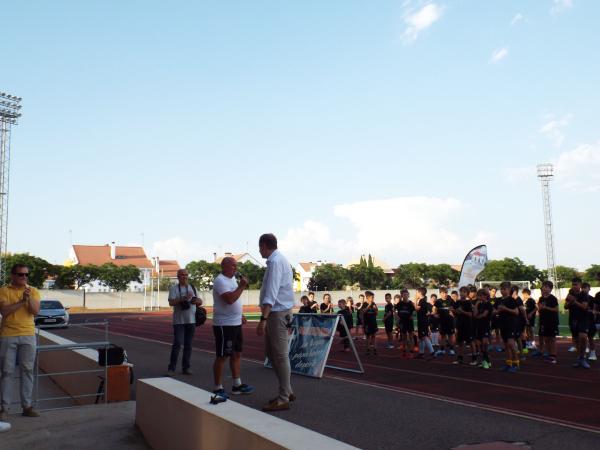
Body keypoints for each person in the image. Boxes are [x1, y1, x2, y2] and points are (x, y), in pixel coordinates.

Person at [256, 233, 295, 411]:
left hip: (277, 313)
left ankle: (283, 397)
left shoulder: (275, 262)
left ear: (264, 245)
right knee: (273, 355)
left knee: (279, 356)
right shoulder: (278, 260)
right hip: (278, 313)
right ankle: (287, 390)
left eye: (260, 247)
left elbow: (271, 292)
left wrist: (263, 319)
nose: (259, 251)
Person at [0, 264, 41, 420]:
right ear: (12, 276)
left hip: (28, 335)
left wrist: (28, 297)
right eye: (20, 275)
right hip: (8, 335)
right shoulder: (4, 291)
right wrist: (21, 301)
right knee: (7, 372)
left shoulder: (34, 291)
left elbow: (35, 311)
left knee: (27, 371)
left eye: (26, 275)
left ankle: (27, 406)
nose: (24, 277)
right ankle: (4, 408)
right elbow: (4, 311)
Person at [211, 257, 254, 399]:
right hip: (224, 325)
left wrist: (240, 314)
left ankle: (237, 385)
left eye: (236, 266)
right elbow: (229, 299)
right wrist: (242, 286)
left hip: (235, 323)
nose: (235, 268)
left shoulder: (232, 280)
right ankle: (217, 387)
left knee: (236, 354)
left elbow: (235, 299)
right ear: (224, 266)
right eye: (233, 266)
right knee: (222, 356)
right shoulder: (220, 281)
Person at [166, 269, 202, 376]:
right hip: (179, 321)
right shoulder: (174, 288)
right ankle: (171, 368)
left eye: (186, 275)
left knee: (188, 345)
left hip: (191, 321)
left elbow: (200, 301)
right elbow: (171, 302)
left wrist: (196, 301)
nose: (184, 277)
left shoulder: (193, 288)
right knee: (177, 344)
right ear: (178, 276)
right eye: (182, 275)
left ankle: (186, 368)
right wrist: (182, 299)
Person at [565, 278, 590, 369]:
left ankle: (582, 358)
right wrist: (570, 301)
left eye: (576, 284)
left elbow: (584, 306)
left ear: (580, 285)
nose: (574, 286)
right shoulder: (570, 294)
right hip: (573, 319)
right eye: (573, 284)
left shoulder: (584, 295)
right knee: (576, 340)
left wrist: (574, 301)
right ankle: (580, 357)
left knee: (583, 337)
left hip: (583, 319)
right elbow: (565, 306)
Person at [497, 282, 520, 373]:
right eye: (502, 289)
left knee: (511, 344)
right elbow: (495, 310)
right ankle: (508, 363)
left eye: (505, 289)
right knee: (506, 345)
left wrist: (504, 309)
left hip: (511, 324)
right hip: (503, 324)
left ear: (509, 290)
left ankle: (516, 363)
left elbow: (516, 312)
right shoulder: (499, 300)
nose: (503, 291)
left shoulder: (512, 300)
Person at [536, 280, 559, 364]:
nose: (545, 288)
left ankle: (553, 356)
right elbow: (540, 308)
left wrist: (546, 308)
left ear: (551, 289)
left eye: (547, 287)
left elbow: (556, 309)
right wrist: (540, 307)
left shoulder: (553, 298)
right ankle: (549, 354)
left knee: (552, 338)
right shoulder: (541, 298)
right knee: (545, 338)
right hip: (543, 321)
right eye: (544, 287)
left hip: (552, 321)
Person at [452, 286, 473, 365]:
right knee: (459, 342)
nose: (462, 293)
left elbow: (470, 314)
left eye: (464, 292)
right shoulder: (457, 302)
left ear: (467, 294)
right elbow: (454, 311)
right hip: (459, 324)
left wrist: (462, 311)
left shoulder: (468, 302)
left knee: (470, 342)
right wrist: (453, 311)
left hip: (467, 324)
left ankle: (474, 358)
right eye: (461, 292)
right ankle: (460, 358)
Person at [473, 288, 493, 369]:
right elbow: (474, 314)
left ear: (484, 296)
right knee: (479, 344)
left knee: (484, 343)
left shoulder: (489, 304)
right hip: (479, 326)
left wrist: (477, 317)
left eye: (479, 296)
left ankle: (486, 361)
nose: (478, 297)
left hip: (485, 326)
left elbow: (484, 315)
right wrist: (476, 306)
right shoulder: (479, 304)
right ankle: (486, 361)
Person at [434, 287, 455, 356]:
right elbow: (434, 309)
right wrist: (435, 314)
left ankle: (451, 349)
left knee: (450, 335)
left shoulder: (451, 300)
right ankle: (442, 349)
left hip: (450, 321)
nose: (445, 294)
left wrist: (453, 312)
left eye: (446, 292)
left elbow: (455, 309)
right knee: (442, 336)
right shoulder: (438, 301)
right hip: (442, 321)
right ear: (440, 293)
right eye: (443, 293)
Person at [415, 287, 435, 359]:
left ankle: (432, 352)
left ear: (420, 293)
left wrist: (415, 300)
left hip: (423, 321)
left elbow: (416, 309)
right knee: (420, 337)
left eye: (417, 292)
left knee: (424, 336)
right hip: (422, 321)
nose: (416, 294)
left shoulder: (422, 301)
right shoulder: (423, 301)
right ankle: (421, 353)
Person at [396, 289, 415, 358]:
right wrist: (397, 318)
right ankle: (404, 351)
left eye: (407, 294)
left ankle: (411, 351)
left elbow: (414, 311)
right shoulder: (399, 304)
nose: (405, 296)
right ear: (402, 295)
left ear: (408, 295)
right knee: (404, 337)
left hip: (409, 322)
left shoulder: (411, 303)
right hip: (402, 322)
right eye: (404, 295)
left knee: (411, 337)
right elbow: (394, 310)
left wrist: (412, 315)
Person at [582, 283, 596, 361]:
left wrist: (588, 310)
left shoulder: (592, 298)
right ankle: (584, 352)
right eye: (582, 288)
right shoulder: (579, 298)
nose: (584, 289)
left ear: (589, 289)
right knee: (582, 338)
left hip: (590, 320)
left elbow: (594, 310)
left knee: (590, 338)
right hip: (581, 321)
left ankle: (593, 353)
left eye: (585, 288)